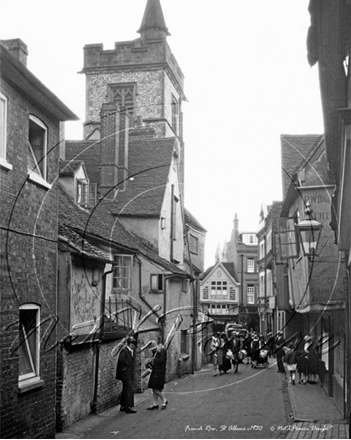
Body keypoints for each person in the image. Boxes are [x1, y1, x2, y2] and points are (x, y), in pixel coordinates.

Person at [116, 336, 137, 414]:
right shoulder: (125, 351)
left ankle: (123, 405)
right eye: (133, 344)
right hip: (125, 374)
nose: (134, 345)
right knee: (129, 389)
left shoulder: (128, 351)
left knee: (125, 389)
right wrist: (127, 365)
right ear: (130, 344)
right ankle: (128, 407)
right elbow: (122, 360)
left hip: (126, 374)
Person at [146, 341, 168, 410]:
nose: (152, 351)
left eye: (152, 349)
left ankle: (164, 400)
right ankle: (155, 404)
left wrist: (153, 360)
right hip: (155, 371)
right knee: (153, 387)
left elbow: (160, 361)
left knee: (156, 388)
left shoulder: (161, 351)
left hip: (159, 372)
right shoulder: (155, 352)